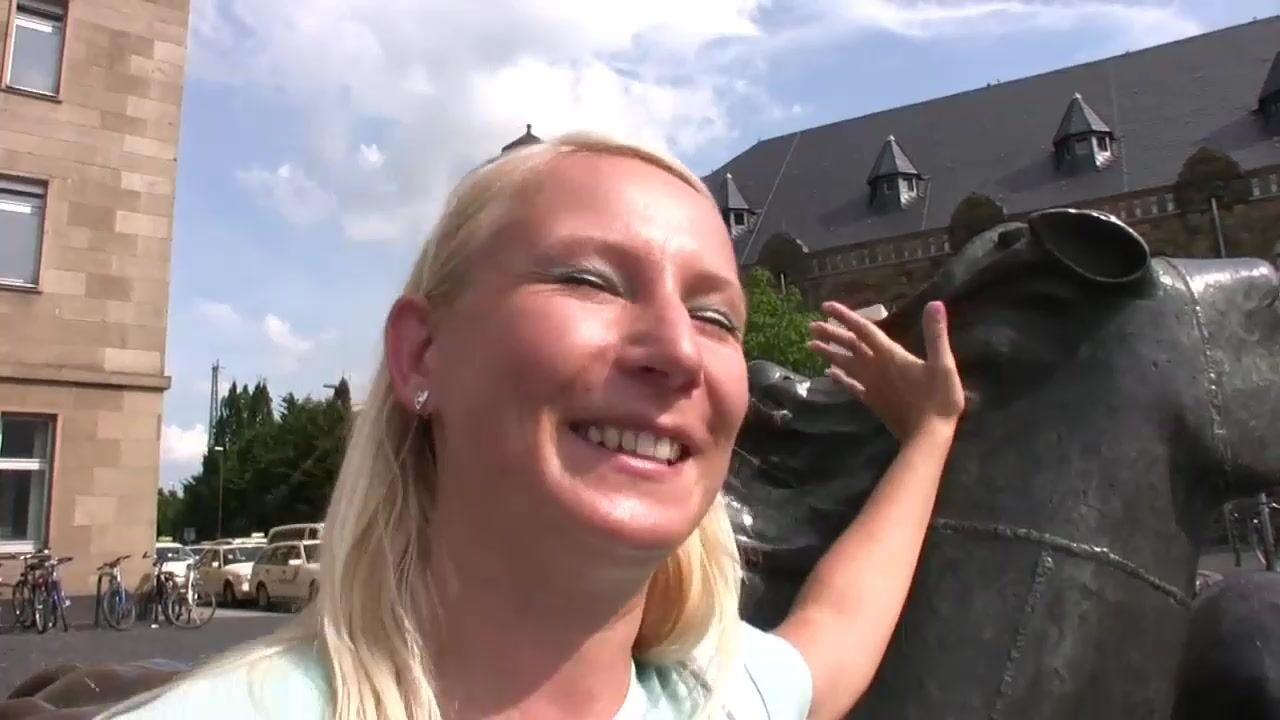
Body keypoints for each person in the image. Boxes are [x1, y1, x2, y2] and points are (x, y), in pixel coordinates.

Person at [101, 132, 965, 720]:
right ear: (423, 355)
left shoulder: (719, 699)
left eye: (715, 317)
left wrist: (931, 428)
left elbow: (837, 631)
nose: (678, 349)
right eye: (590, 280)